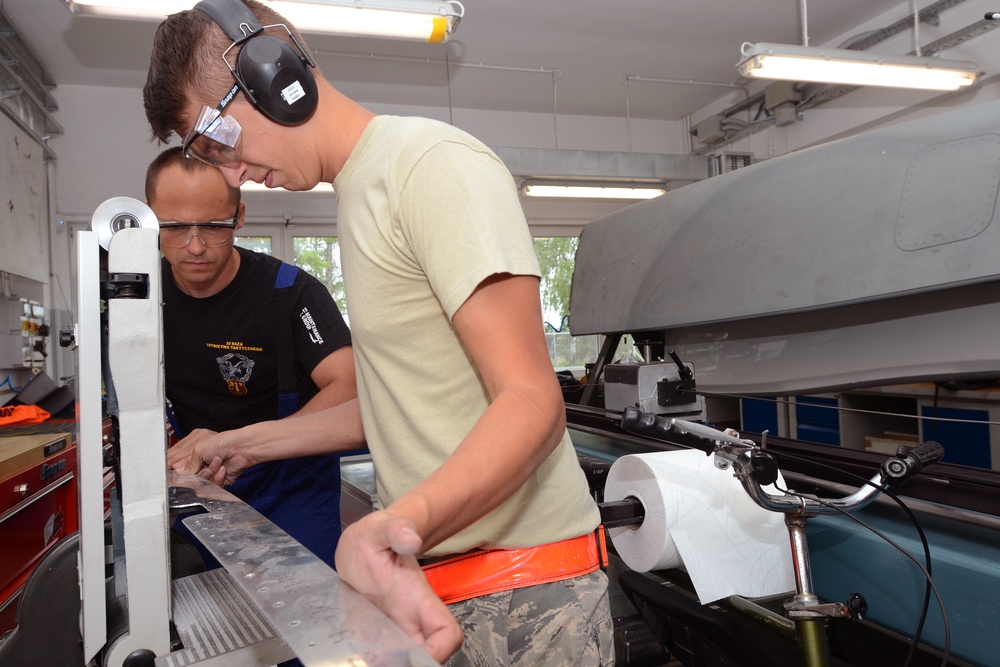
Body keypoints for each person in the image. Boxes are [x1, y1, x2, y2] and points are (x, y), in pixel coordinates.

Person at [143, 1, 613, 664]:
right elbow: (391, 405)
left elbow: (532, 401)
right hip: (435, 589)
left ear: (272, 76)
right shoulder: (359, 194)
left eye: (219, 140)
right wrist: (242, 443)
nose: (229, 171)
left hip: (526, 594)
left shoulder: (427, 166)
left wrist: (393, 524)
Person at [146, 146, 356, 570]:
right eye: (174, 227)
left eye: (213, 225)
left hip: (293, 493)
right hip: (200, 487)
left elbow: (350, 386)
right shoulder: (144, 303)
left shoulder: (289, 293)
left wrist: (248, 446)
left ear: (239, 216)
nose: (196, 246)